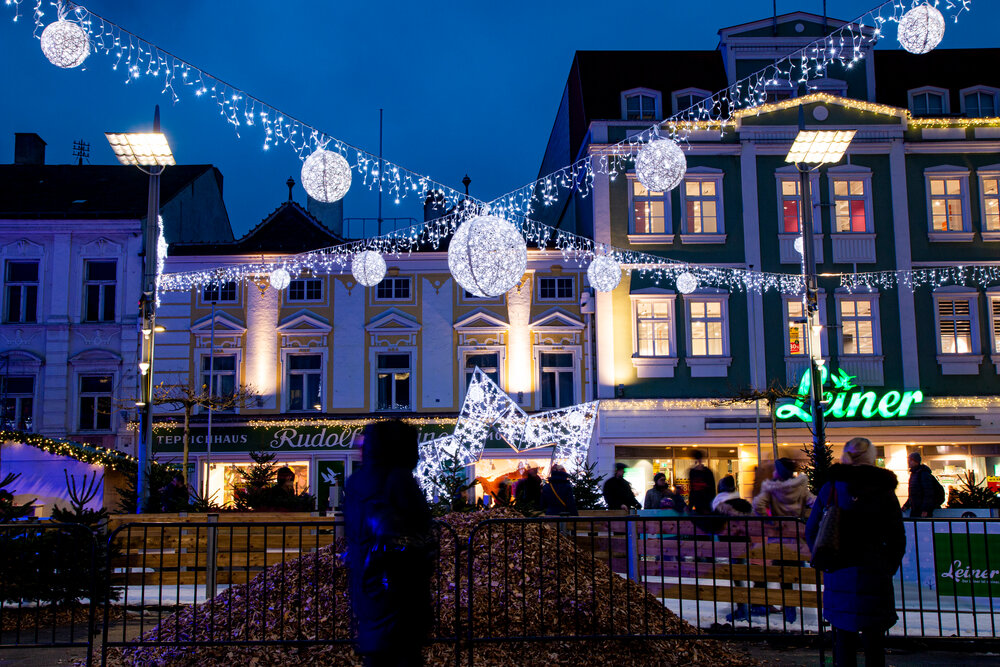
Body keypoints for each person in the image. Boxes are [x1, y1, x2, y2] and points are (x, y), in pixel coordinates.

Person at [806, 438, 905, 667]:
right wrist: (888, 565)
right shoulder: (884, 489)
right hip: (874, 569)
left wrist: (824, 561)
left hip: (839, 568)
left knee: (843, 639)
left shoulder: (832, 488)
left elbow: (811, 529)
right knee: (874, 641)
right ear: (871, 456)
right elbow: (897, 536)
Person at [345, 420, 435, 667]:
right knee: (402, 654)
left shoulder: (356, 481)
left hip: (368, 586)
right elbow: (420, 526)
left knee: (379, 654)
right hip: (400, 587)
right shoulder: (398, 478)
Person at [752, 458, 815, 623]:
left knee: (783, 575)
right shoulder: (800, 487)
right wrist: (805, 519)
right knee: (795, 573)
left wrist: (770, 521)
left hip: (778, 540)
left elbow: (758, 505)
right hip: (795, 540)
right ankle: (791, 609)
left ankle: (789, 608)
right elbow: (814, 502)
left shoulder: (771, 489)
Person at [712, 475, 753, 623]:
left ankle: (743, 608)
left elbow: (716, 526)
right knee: (742, 574)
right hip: (745, 542)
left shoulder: (720, 505)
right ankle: (749, 605)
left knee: (737, 576)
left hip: (732, 544)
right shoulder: (744, 503)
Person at [902, 452, 942, 518]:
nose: (909, 462)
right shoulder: (915, 474)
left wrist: (925, 509)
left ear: (916, 461)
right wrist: (907, 505)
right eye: (908, 460)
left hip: (920, 509)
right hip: (917, 508)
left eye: (911, 460)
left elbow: (928, 493)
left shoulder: (923, 474)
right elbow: (914, 494)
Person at [687, 449, 716, 514]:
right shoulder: (706, 472)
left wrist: (690, 505)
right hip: (704, 502)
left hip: (702, 502)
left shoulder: (694, 472)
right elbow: (712, 489)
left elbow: (692, 490)